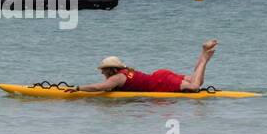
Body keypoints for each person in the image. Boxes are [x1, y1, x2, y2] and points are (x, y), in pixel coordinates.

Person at [69, 40, 219, 93]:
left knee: (194, 87)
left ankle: (205, 58)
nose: (102, 73)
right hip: (160, 75)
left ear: (109, 70)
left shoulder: (117, 78)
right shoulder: (125, 72)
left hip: (160, 83)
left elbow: (98, 87)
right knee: (196, 80)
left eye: (103, 71)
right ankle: (203, 51)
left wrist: (78, 88)